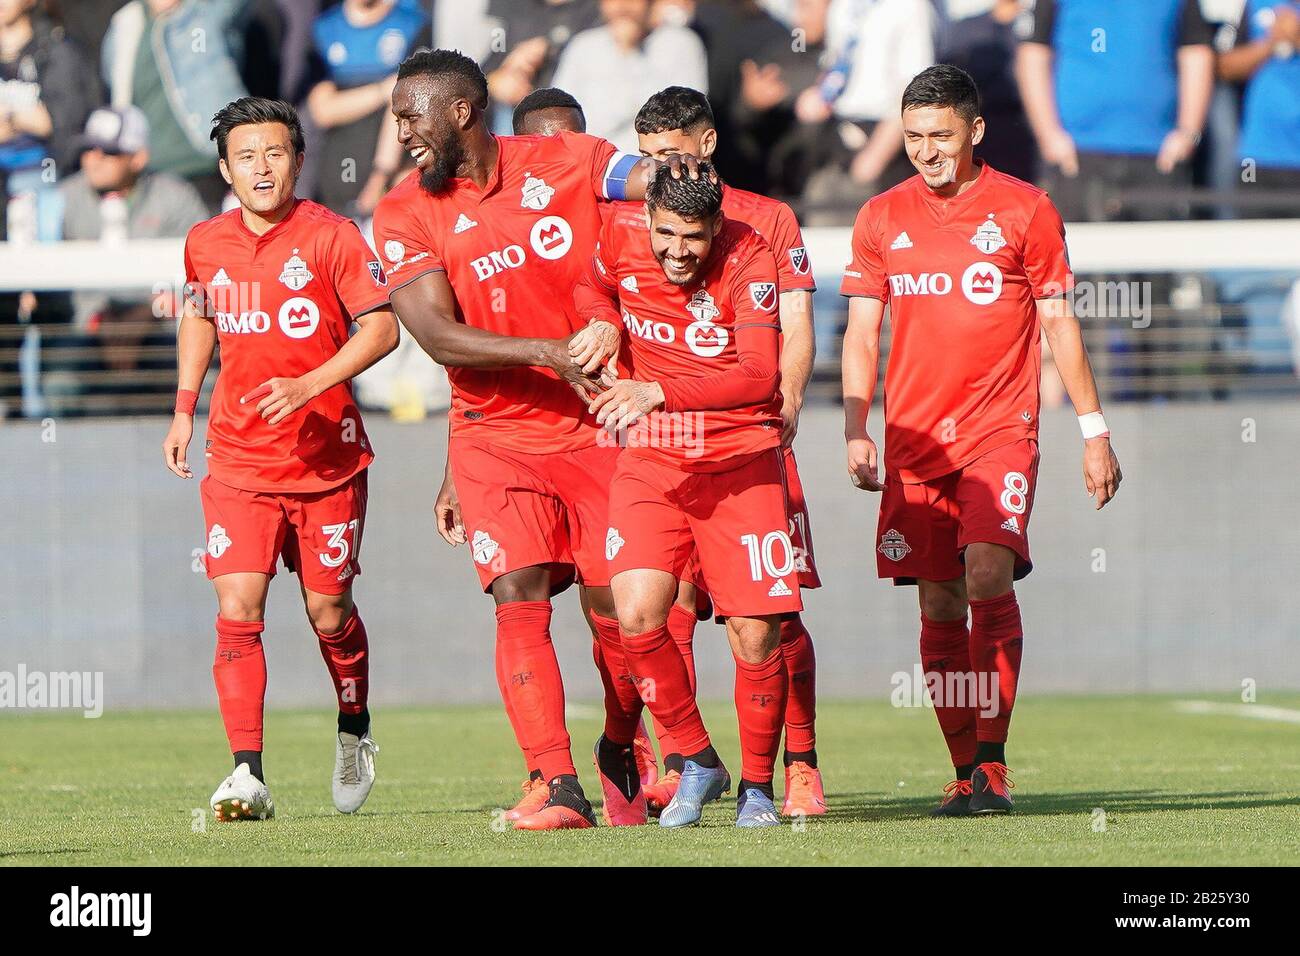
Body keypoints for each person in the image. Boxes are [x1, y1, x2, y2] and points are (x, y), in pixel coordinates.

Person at [371, 49, 676, 831]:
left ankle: (622, 746)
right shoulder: (404, 211)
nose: (401, 130)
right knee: (519, 595)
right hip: (493, 437)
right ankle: (555, 783)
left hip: (599, 425)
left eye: (411, 114)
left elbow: (649, 183)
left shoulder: (566, 161)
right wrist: (550, 353)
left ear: (461, 112)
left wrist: (684, 180)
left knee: (621, 610)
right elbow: (438, 337)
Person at [840, 65, 1122, 815]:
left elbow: (1060, 322)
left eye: (939, 135)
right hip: (912, 442)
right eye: (912, 137)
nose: (926, 151)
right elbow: (863, 330)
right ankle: (964, 770)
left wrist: (1093, 433)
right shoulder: (880, 216)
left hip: (1000, 431)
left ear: (976, 131)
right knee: (938, 605)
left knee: (986, 572)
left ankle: (994, 764)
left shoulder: (1026, 211)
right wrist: (856, 425)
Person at [161, 97, 399, 821]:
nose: (261, 168)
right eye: (246, 156)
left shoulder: (331, 237)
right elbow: (200, 313)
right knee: (238, 606)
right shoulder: (204, 241)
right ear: (226, 168)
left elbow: (382, 329)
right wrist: (183, 407)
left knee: (329, 612)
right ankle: (246, 773)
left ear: (297, 159)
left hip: (327, 463)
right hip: (237, 460)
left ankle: (354, 725)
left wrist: (310, 383)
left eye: (275, 153)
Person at [570, 162, 796, 828]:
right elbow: (589, 284)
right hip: (654, 460)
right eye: (665, 233)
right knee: (635, 614)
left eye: (692, 238)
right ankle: (697, 759)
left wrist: (658, 390)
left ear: (717, 226)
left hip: (740, 466)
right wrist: (603, 322)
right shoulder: (616, 238)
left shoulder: (751, 258)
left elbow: (758, 375)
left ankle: (759, 788)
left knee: (756, 636)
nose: (676, 250)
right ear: (647, 219)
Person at [629, 85, 824, 816]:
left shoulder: (766, 219)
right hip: (672, 446)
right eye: (645, 159)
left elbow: (796, 320)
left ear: (706, 144)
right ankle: (685, 759)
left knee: (774, 613)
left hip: (753, 436)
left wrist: (790, 400)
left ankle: (797, 762)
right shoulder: (638, 226)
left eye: (670, 154)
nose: (656, 170)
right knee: (665, 601)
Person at [41, 106, 208, 417]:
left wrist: (146, 314)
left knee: (207, 381)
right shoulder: (64, 198)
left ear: (138, 157)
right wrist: (100, 322)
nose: (93, 159)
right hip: (91, 328)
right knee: (58, 383)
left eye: (108, 151)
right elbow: (50, 284)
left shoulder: (175, 197)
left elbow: (206, 281)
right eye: (88, 149)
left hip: (165, 328)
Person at [1015, 0, 1214, 222]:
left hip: (1159, 157)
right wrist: (1048, 135)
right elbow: (1033, 54)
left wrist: (1188, 134)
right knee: (1074, 253)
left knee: (1160, 254)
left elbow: (1196, 53)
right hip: (1076, 157)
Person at [101, 0, 251, 212]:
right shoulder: (124, 24)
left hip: (209, 167)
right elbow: (116, 94)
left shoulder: (206, 11)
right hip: (150, 177)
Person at [305, 0, 428, 216]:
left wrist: (380, 175)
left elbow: (405, 102)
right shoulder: (324, 28)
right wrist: (383, 90)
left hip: (393, 181)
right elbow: (323, 111)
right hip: (335, 177)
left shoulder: (413, 24)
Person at [550, 0, 708, 150]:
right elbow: (560, 118)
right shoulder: (584, 46)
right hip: (591, 163)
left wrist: (629, 53)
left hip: (654, 165)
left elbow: (686, 119)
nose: (622, 7)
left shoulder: (681, 44)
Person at [0, 0, 97, 237]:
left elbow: (57, 122)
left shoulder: (55, 50)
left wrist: (10, 118)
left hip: (44, 176)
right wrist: (26, 118)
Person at [1219, 0, 1300, 205]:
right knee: (1251, 232)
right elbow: (1226, 67)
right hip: (1257, 158)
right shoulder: (1256, 5)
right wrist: (1270, 43)